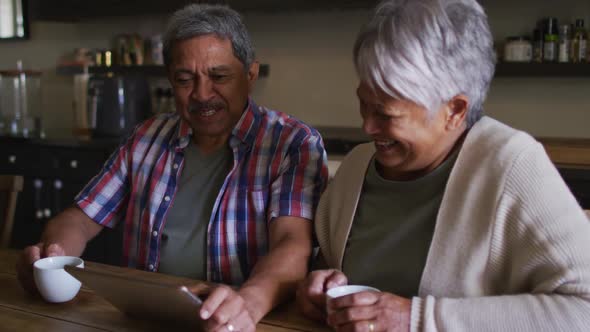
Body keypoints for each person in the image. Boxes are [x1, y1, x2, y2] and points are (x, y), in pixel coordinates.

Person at [17, 4, 328, 331]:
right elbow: (80, 218)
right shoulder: (145, 138)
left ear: (250, 74)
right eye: (184, 79)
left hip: (244, 322)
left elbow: (293, 245)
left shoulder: (292, 144)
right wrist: (53, 257)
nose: (202, 94)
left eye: (219, 76)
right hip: (145, 317)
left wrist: (246, 304)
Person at [296, 0, 590, 331]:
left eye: (385, 114)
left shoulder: (511, 165)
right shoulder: (356, 167)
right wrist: (319, 286)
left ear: (455, 110)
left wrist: (418, 319)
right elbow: (330, 267)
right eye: (363, 103)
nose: (367, 127)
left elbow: (584, 307)